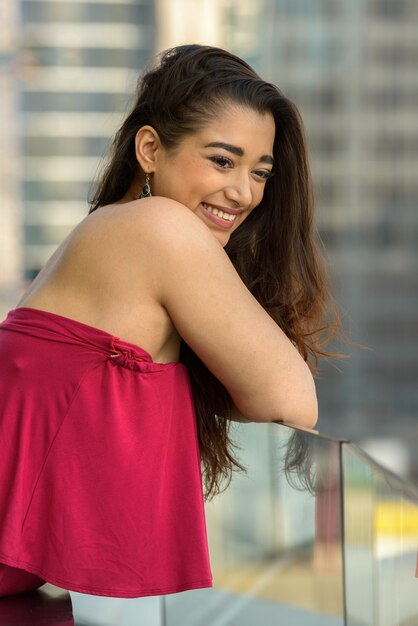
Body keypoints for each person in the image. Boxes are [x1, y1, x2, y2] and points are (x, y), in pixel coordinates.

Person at [0, 44, 339, 598]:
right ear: (151, 149)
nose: (245, 193)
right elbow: (290, 399)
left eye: (261, 172)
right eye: (223, 161)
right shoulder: (159, 227)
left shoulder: (110, 231)